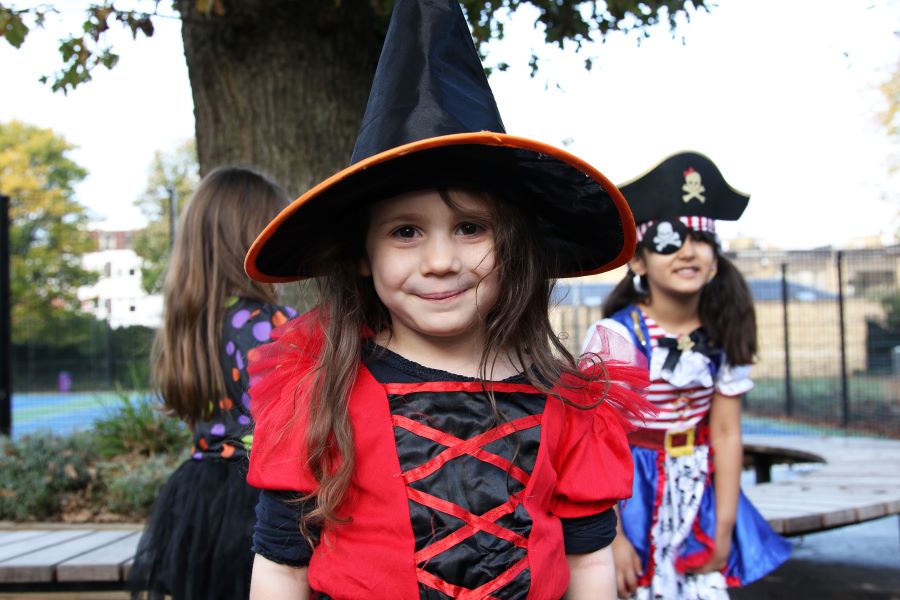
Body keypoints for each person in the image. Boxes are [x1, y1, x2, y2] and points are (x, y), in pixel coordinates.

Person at [241, 1, 655, 598]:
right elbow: (282, 565)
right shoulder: (318, 392)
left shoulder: (572, 402)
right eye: (405, 231)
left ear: (513, 245)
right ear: (363, 255)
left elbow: (588, 561)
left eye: (471, 228)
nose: (440, 260)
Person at [582, 151, 791, 599]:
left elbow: (727, 432)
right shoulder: (616, 336)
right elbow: (594, 442)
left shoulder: (724, 333)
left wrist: (725, 529)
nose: (688, 250)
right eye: (668, 240)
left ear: (715, 258)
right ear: (638, 262)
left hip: (698, 487)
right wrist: (611, 538)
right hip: (629, 493)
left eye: (701, 239)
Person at [129, 166, 297, 600]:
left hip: (197, 497)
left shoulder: (188, 328)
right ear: (254, 239)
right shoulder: (273, 327)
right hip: (256, 502)